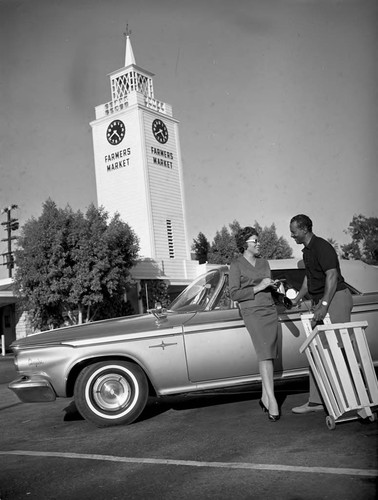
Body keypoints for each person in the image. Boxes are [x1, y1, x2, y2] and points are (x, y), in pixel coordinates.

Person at [289, 214, 353, 414]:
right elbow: (310, 278)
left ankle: (349, 398)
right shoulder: (307, 252)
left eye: (294, 231)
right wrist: (298, 298)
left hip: (336, 298)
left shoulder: (322, 247)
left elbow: (332, 276)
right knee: (316, 349)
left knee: (339, 349)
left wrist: (324, 304)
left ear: (305, 229)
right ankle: (316, 401)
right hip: (322, 301)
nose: (292, 235)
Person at [229, 226, 281, 421]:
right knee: (265, 354)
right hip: (251, 312)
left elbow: (269, 285)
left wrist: (275, 286)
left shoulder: (264, 262)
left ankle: (265, 396)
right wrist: (259, 286)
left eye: (258, 241)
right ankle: (272, 400)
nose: (259, 244)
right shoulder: (236, 265)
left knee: (268, 355)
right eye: (255, 241)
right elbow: (234, 293)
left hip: (269, 309)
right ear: (245, 244)